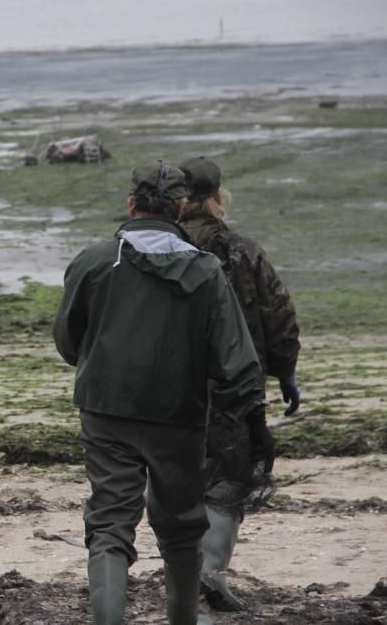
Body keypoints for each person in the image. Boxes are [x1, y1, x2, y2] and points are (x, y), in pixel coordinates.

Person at [53, 161, 264, 625]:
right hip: (179, 416)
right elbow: (238, 363)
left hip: (106, 410)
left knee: (109, 524)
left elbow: (68, 343)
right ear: (181, 208)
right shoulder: (206, 272)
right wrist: (247, 421)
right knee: (182, 528)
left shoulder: (93, 261)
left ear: (131, 204)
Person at [178, 156, 301, 611]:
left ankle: (182, 568)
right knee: (228, 480)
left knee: (172, 476)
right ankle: (210, 571)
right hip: (233, 386)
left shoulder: (156, 251)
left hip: (168, 387)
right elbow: (278, 314)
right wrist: (286, 371)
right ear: (217, 197)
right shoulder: (242, 251)